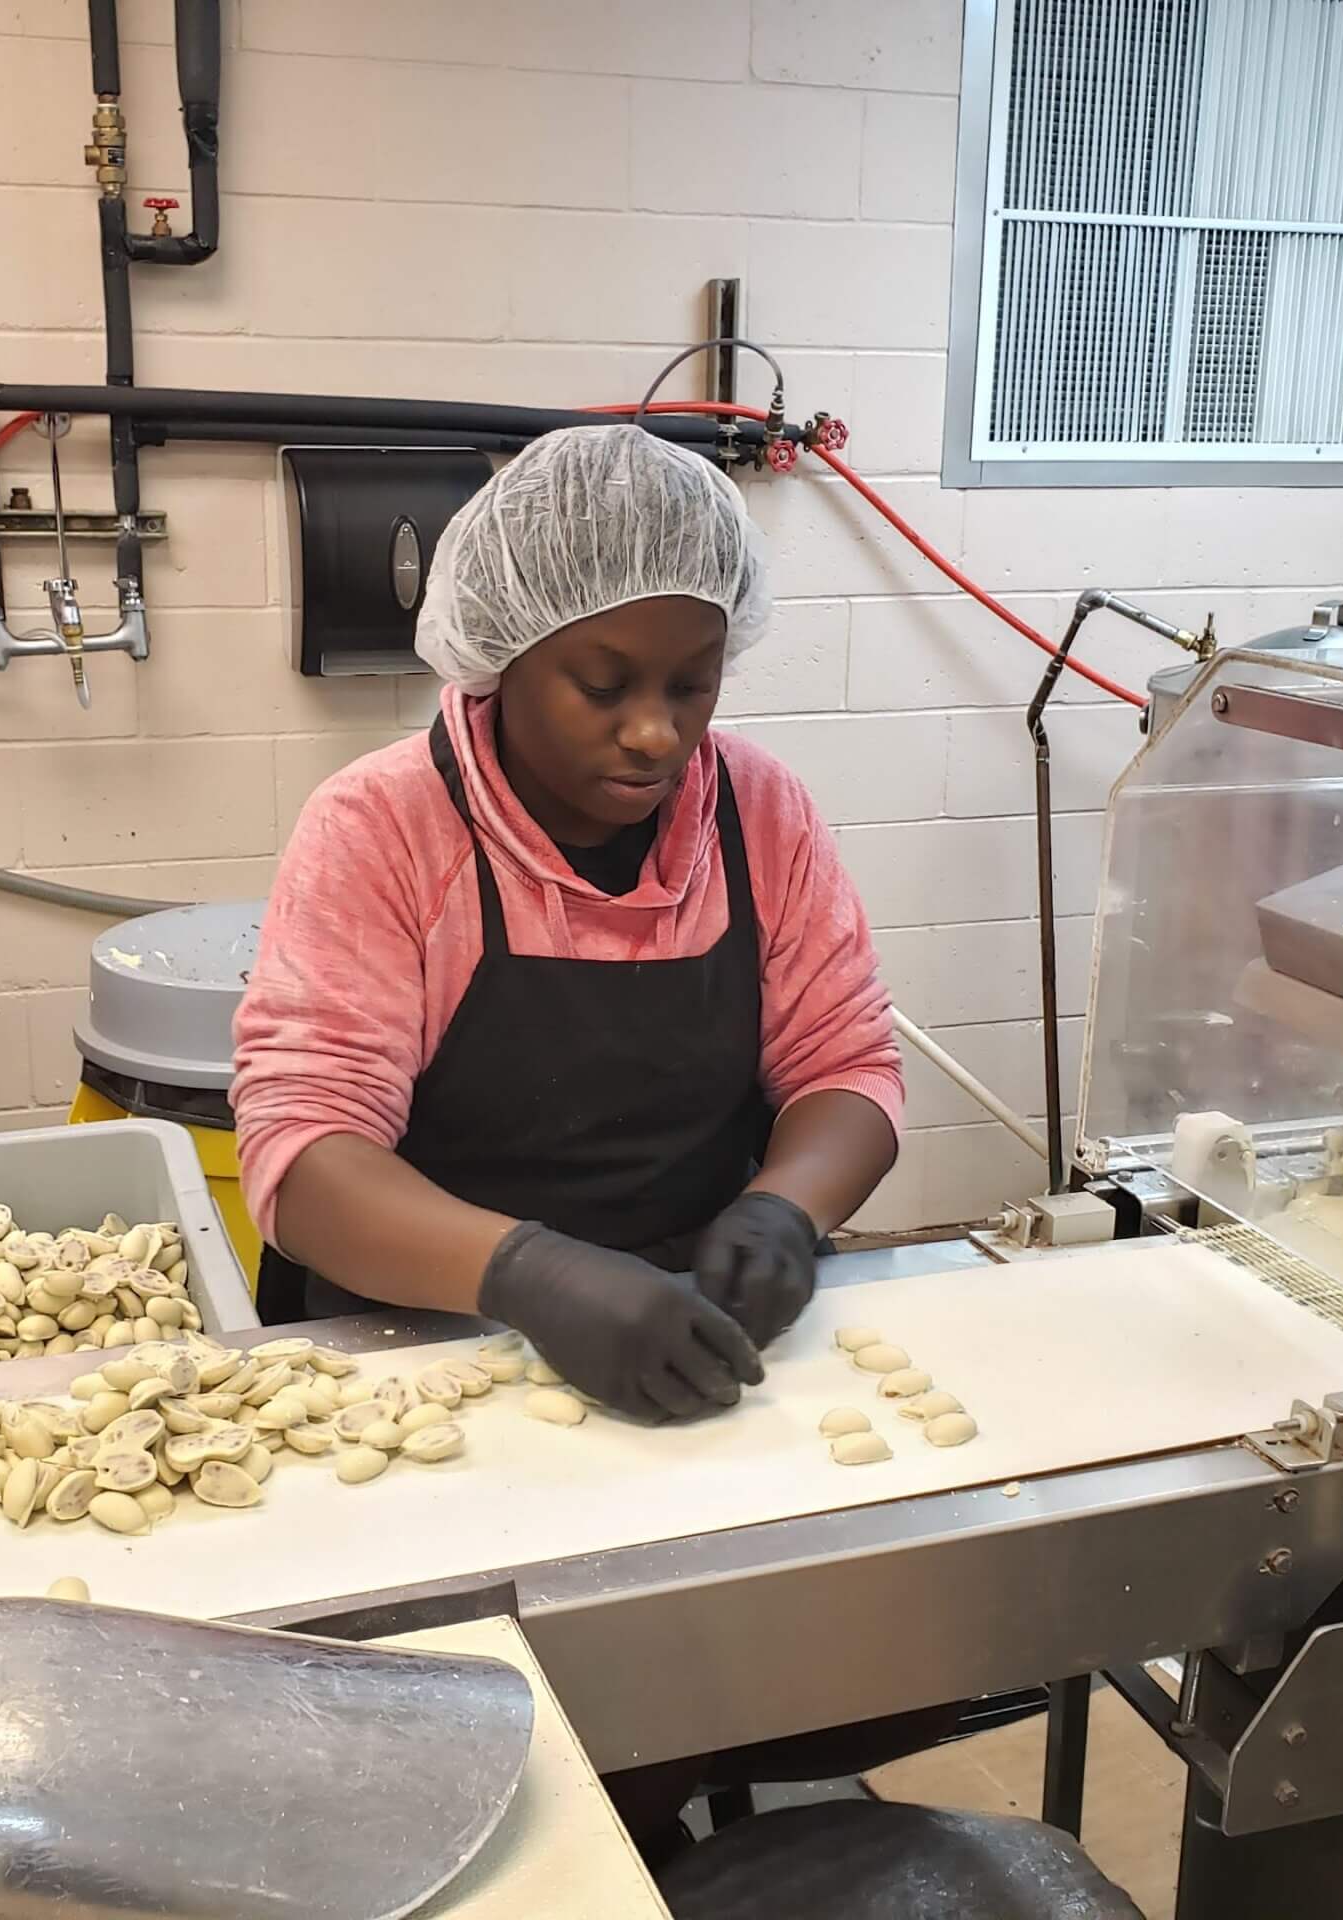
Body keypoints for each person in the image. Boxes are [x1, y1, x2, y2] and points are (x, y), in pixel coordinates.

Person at [231, 423, 901, 1419]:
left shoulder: (758, 811)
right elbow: (305, 1152)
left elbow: (845, 1067)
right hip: (427, 1350)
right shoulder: (382, 826)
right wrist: (530, 1276)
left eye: (692, 683)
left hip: (699, 1329)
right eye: (602, 686)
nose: (653, 732)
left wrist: (782, 1210)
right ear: (503, 655)